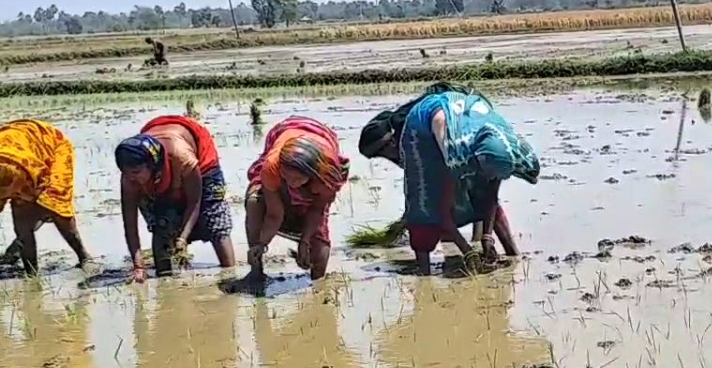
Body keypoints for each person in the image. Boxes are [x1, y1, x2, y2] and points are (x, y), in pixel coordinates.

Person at [358, 83, 539, 275]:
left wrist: (487, 237)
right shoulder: (448, 152)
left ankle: (512, 254)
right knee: (425, 205)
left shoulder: (500, 145)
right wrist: (467, 251)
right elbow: (441, 211)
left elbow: (491, 193)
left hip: (459, 117)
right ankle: (424, 271)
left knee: (479, 192)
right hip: (432, 131)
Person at [116, 115, 236, 283]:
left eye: (136, 173)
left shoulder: (182, 157)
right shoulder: (130, 179)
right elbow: (129, 223)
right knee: (162, 224)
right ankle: (163, 276)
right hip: (164, 167)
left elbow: (195, 201)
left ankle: (230, 273)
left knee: (214, 220)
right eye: (127, 173)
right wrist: (139, 266)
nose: (131, 178)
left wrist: (183, 238)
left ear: (151, 165)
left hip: (201, 164)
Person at [243, 116, 349, 283]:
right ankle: (257, 274)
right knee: (255, 201)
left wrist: (305, 241)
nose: (292, 183)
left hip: (321, 142)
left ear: (312, 174)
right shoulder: (272, 166)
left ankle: (319, 285)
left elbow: (318, 210)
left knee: (318, 239)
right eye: (287, 177)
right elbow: (274, 214)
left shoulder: (327, 176)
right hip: (285, 134)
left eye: (298, 180)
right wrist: (261, 244)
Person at [0, 119, 92, 274]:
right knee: (23, 224)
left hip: (52, 146)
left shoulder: (17, 172)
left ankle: (84, 257)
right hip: (19, 146)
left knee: (54, 205)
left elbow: (36, 195)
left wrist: (39, 209)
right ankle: (31, 272)